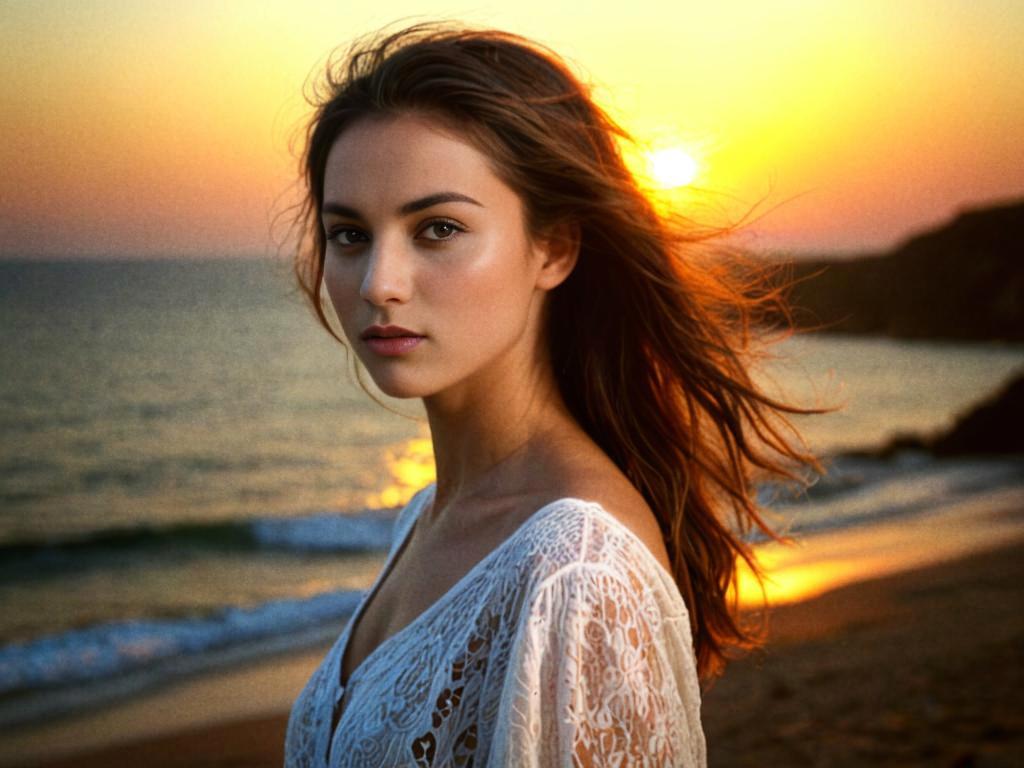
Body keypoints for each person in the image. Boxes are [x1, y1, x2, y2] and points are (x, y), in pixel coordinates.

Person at [283, 20, 827, 767]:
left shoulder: (578, 568)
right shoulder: (430, 515)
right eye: (350, 235)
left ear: (555, 247)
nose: (380, 282)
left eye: (437, 228)